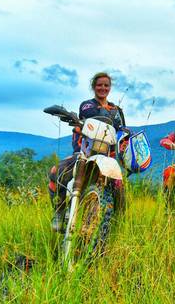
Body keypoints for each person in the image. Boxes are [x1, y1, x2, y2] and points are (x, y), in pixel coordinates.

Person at [48, 71, 128, 232]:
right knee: (57, 171)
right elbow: (89, 115)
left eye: (106, 85)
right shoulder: (87, 105)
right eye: (99, 85)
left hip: (108, 156)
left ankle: (116, 221)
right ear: (93, 87)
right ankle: (59, 210)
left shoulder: (117, 110)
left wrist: (127, 136)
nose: (103, 88)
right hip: (85, 152)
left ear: (110, 88)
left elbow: (122, 129)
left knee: (120, 187)